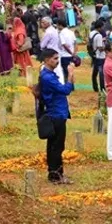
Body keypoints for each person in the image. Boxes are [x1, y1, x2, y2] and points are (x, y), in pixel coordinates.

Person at [37, 49, 75, 183]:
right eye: (54, 58)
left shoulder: (48, 74)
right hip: (56, 114)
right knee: (56, 146)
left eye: (58, 58)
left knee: (54, 145)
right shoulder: (48, 77)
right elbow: (65, 90)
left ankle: (55, 173)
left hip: (58, 112)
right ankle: (55, 175)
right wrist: (70, 74)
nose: (57, 61)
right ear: (47, 60)